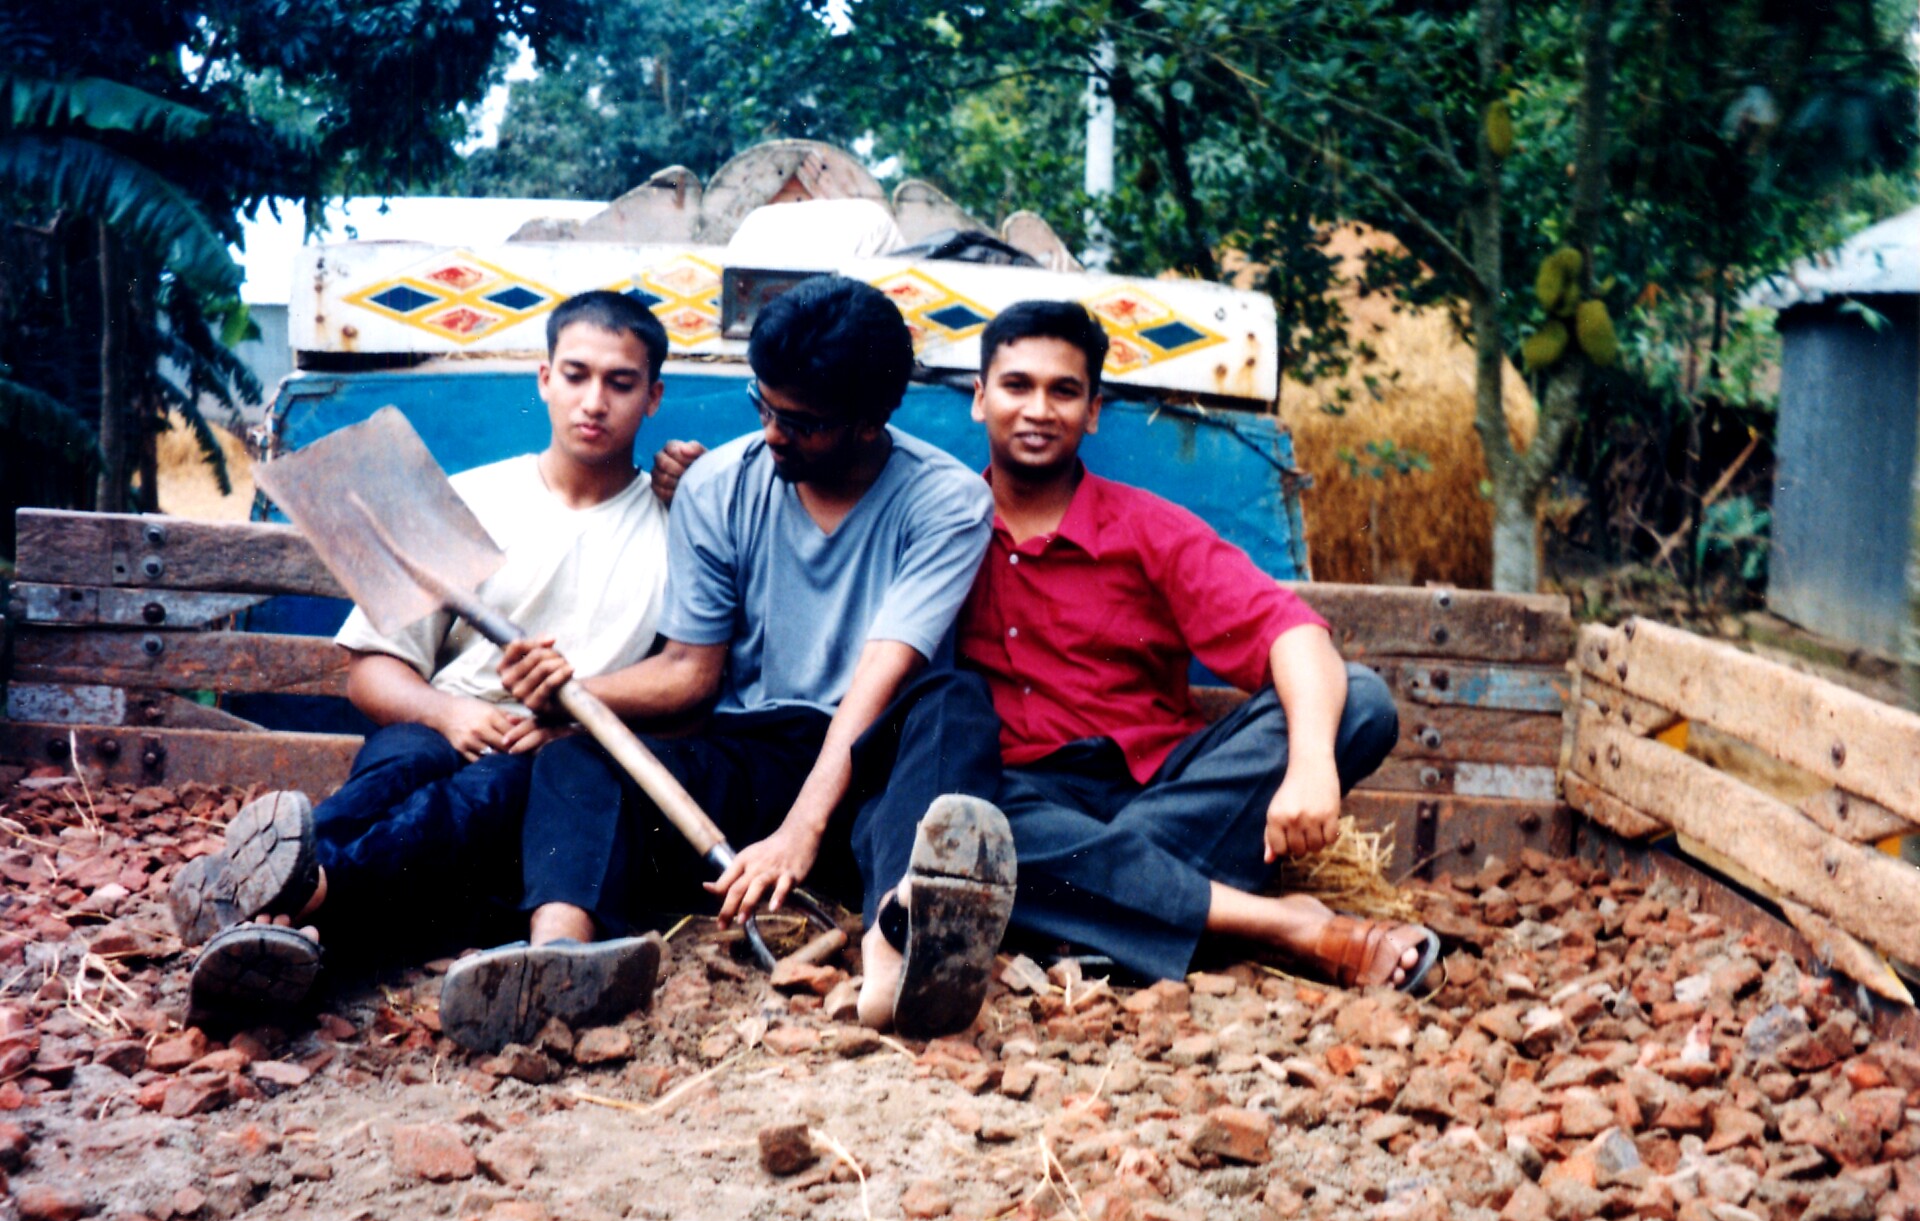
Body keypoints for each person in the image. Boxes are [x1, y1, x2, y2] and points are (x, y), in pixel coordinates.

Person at [447, 275, 1013, 1050]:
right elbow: (693, 671)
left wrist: (799, 833)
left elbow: (880, 677)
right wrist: (567, 700)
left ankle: (898, 948)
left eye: (804, 424)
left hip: (879, 764)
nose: (775, 434)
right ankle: (559, 956)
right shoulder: (720, 484)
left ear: (871, 418)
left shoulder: (945, 499)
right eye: (764, 406)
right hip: (756, 750)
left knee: (954, 699)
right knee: (578, 761)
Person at [865, 299, 1439, 1002]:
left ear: (1094, 410)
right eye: (1017, 385)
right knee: (965, 825)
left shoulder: (1148, 527)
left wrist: (1313, 766)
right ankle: (1281, 925)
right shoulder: (944, 531)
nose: (1039, 408)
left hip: (1163, 787)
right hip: (1026, 795)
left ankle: (1096, 912)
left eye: (1064, 390)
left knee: (1359, 702)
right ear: (981, 400)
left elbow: (1294, 635)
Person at [169, 291, 676, 1022]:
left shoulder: (674, 526)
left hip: (555, 761)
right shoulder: (469, 499)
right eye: (576, 375)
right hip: (441, 724)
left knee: (486, 792)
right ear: (543, 379)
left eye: (620, 382)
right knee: (403, 762)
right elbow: (370, 672)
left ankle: (282, 902)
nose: (593, 400)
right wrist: (451, 710)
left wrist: (574, 717)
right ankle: (288, 913)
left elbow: (687, 682)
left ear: (653, 396)